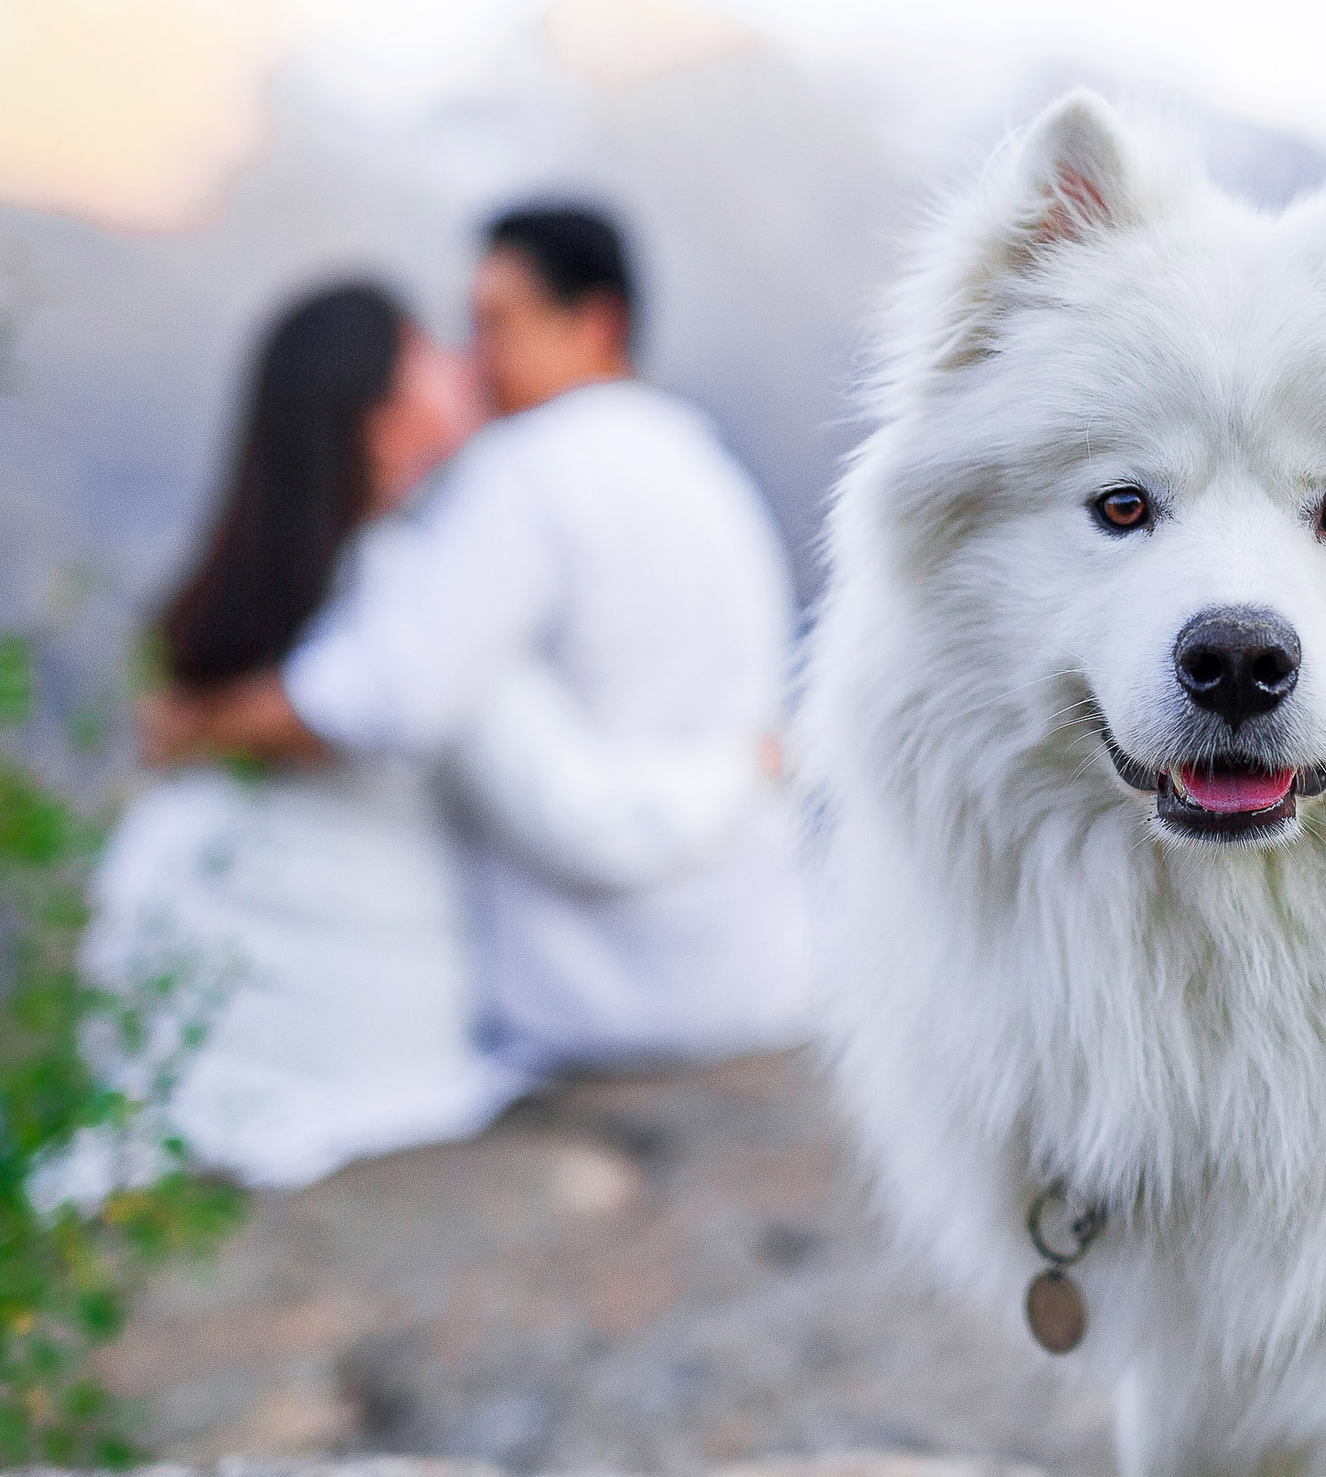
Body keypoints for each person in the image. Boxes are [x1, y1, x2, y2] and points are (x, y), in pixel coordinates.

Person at [146, 205, 815, 1071]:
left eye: (497, 322)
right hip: (752, 965)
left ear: (594, 322)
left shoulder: (528, 470)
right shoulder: (707, 467)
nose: (474, 358)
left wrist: (203, 723)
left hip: (603, 1000)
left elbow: (393, 693)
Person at [81, 282, 528, 1190]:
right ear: (383, 417)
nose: (460, 363)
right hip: (367, 1018)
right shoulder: (414, 580)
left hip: (205, 985)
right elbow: (379, 703)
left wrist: (206, 726)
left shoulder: (251, 591)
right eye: (427, 352)